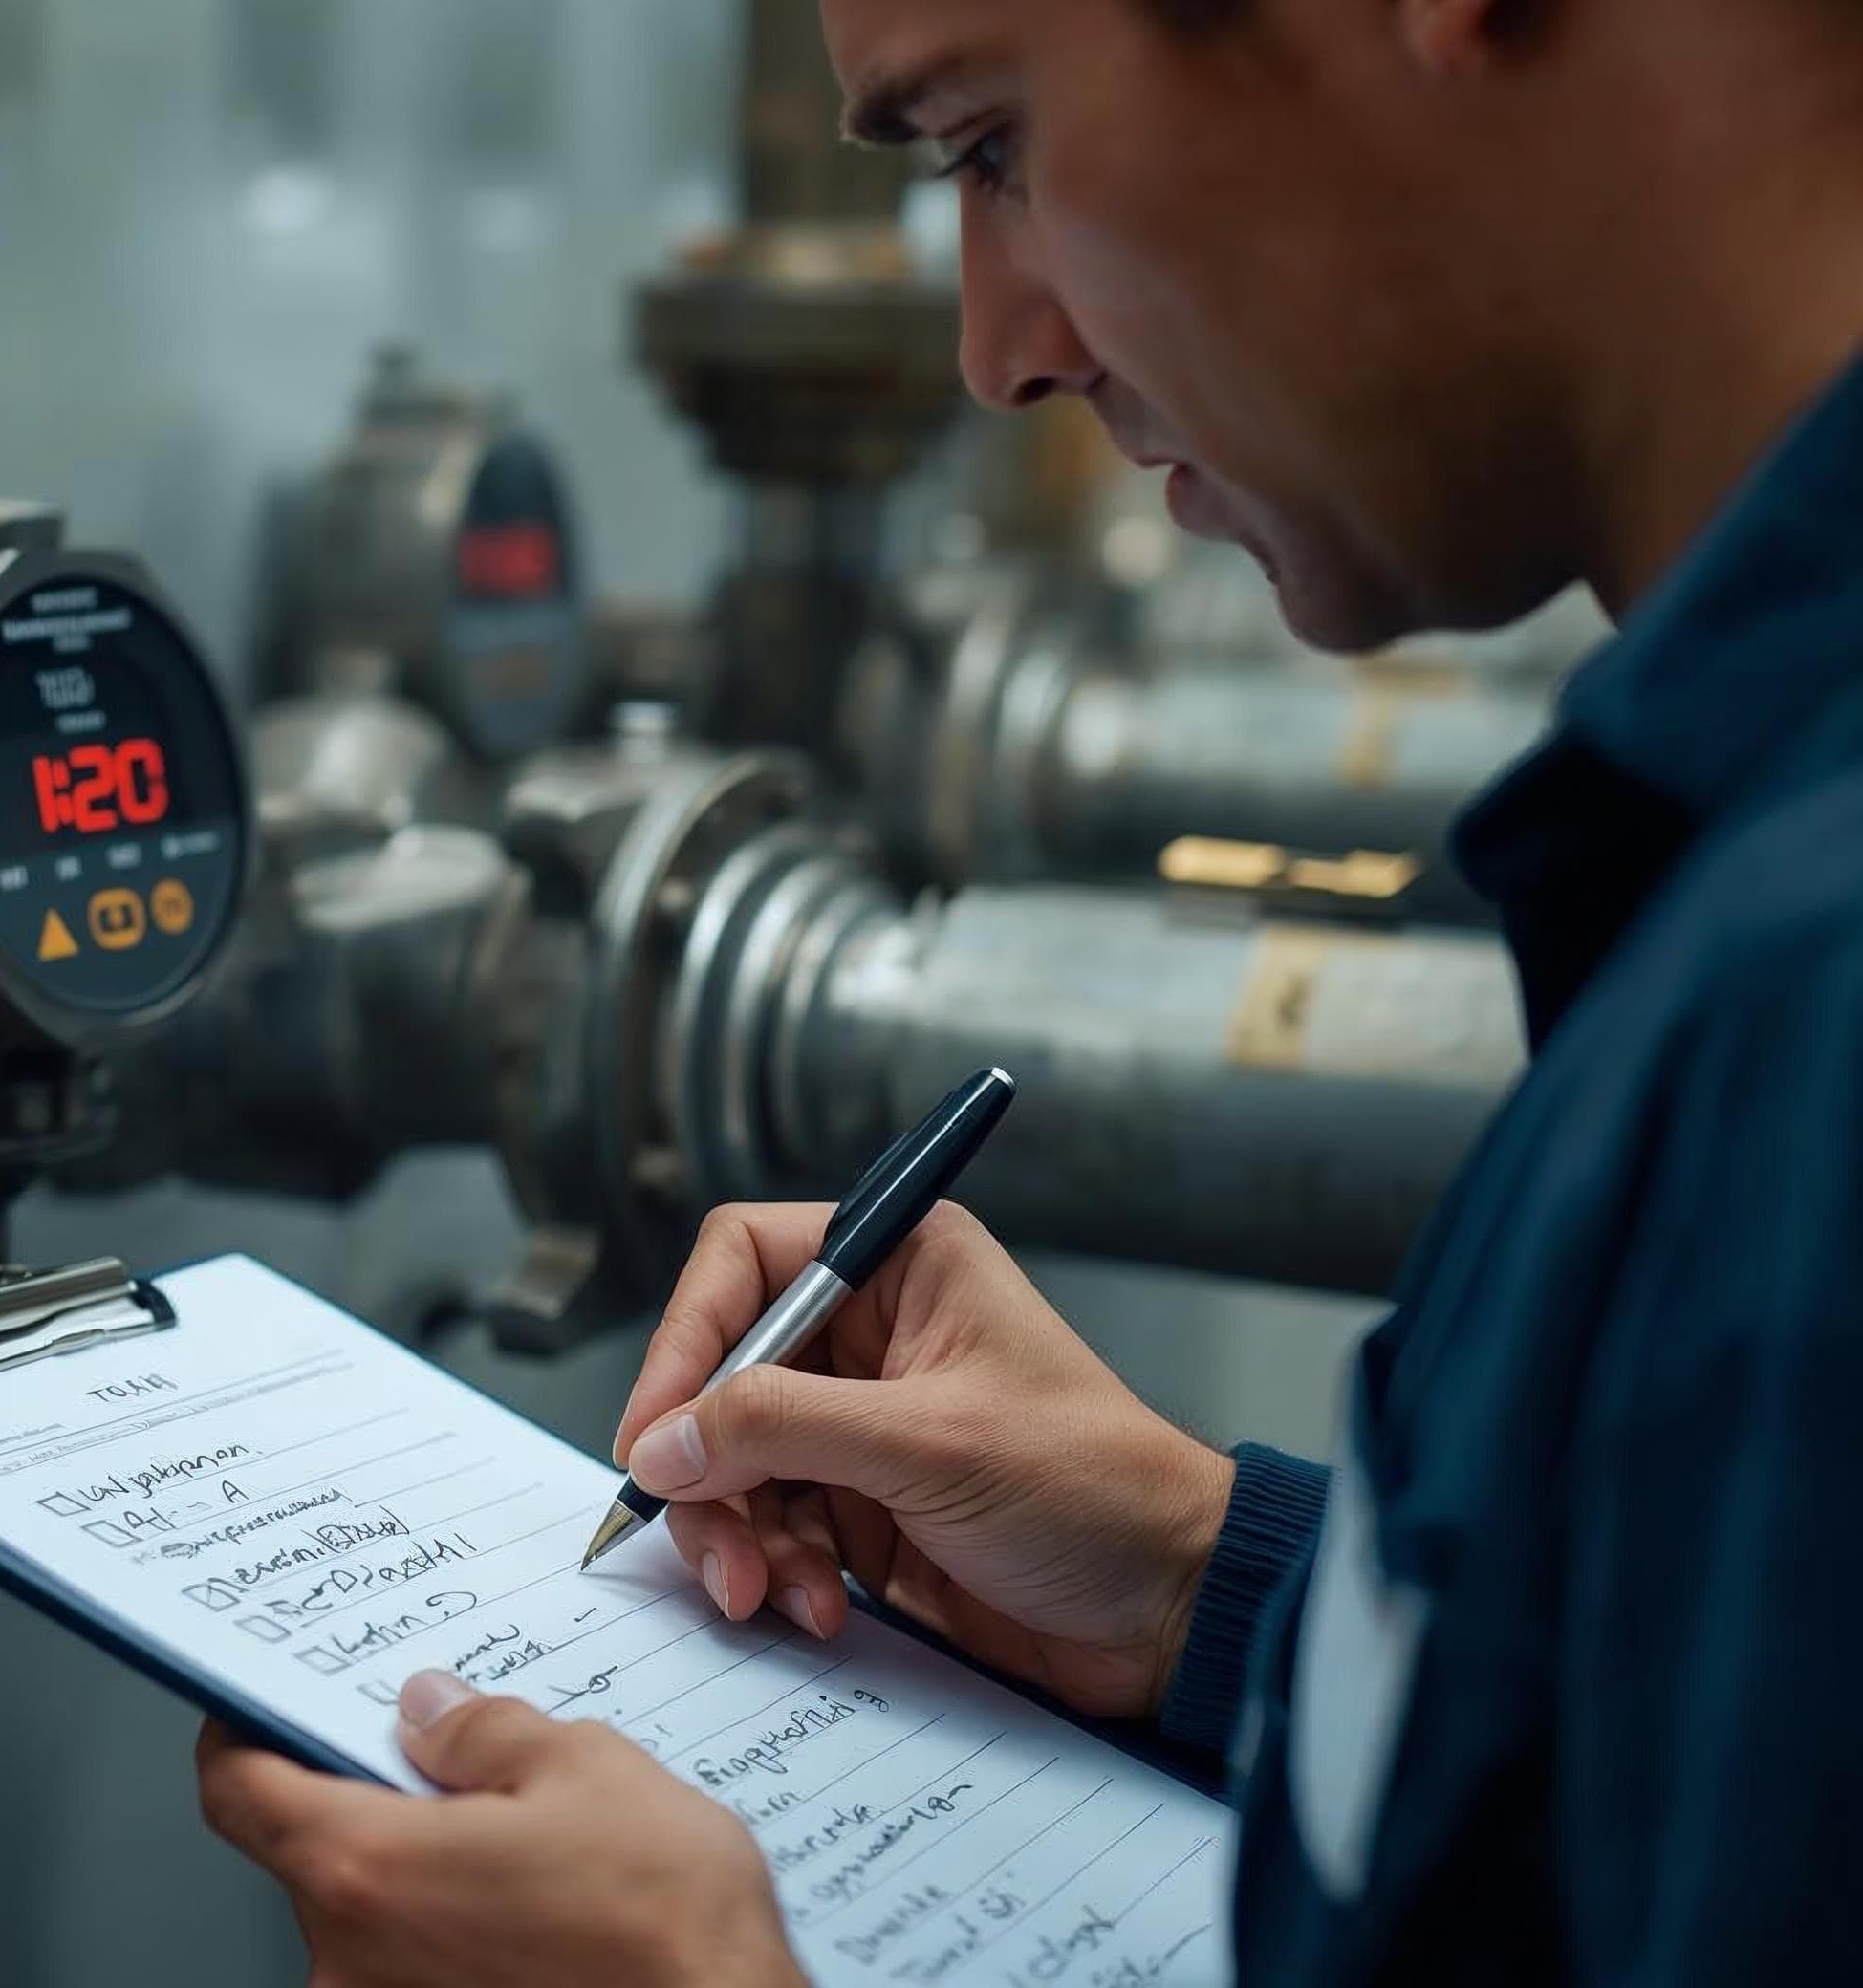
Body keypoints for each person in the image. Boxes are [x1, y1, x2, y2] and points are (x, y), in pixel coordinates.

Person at [195, 0, 1863, 1977]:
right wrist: (1198, 1578)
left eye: (995, 144)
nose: (999, 349)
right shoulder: (1738, 880)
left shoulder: (1815, 1028)